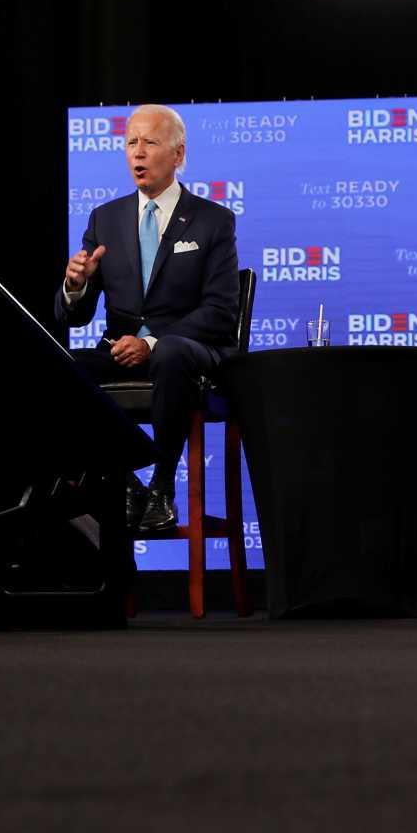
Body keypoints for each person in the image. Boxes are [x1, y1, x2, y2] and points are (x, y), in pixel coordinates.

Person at [57, 104, 240, 531]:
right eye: (130, 143)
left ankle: (161, 486)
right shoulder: (106, 218)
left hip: (190, 351)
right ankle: (123, 481)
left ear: (178, 155)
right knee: (63, 366)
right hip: (119, 349)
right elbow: (76, 316)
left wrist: (151, 343)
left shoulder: (214, 221)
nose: (137, 153)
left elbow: (220, 311)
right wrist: (75, 285)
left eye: (150, 142)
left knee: (171, 353)